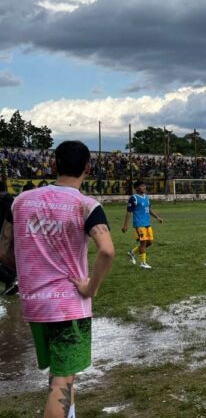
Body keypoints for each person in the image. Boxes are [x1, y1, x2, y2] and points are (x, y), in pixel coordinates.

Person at [0, 141, 115, 418]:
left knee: (61, 372)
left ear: (53, 165)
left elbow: (3, 250)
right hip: (68, 308)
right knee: (62, 380)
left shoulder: (20, 201)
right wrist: (90, 287)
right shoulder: (87, 205)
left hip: (34, 305)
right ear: (88, 168)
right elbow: (107, 250)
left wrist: (30, 269)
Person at [122, 180, 164, 269]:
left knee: (149, 243)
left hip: (147, 224)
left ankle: (132, 252)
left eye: (144, 186)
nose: (144, 187)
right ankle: (143, 263)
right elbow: (129, 212)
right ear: (136, 188)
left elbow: (149, 209)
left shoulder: (146, 197)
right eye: (142, 186)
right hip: (139, 224)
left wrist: (157, 217)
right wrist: (125, 225)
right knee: (143, 243)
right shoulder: (134, 198)